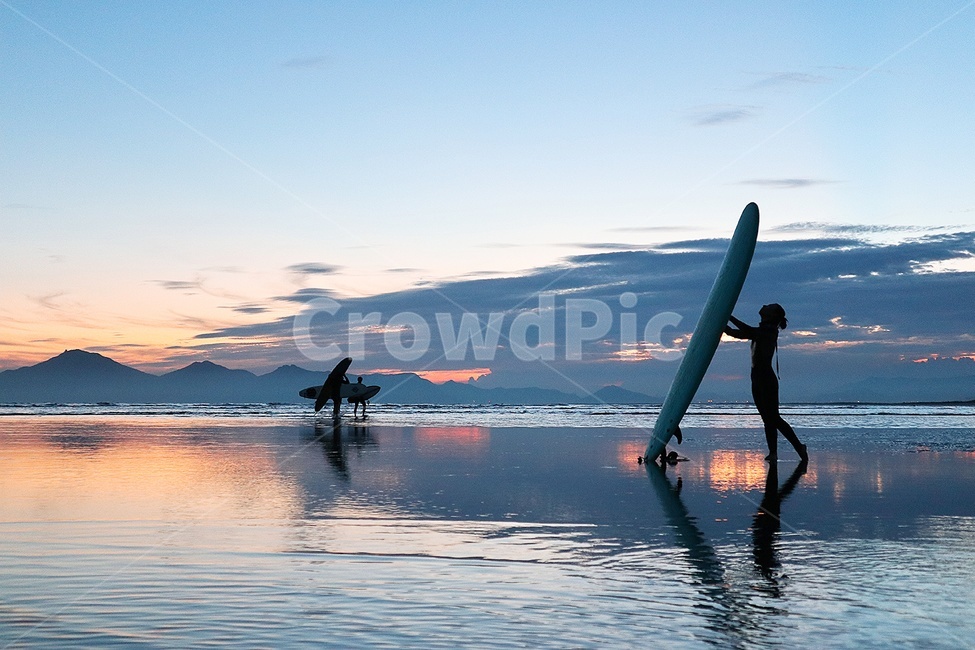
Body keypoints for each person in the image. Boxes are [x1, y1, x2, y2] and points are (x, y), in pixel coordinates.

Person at [724, 304, 807, 462]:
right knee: (767, 418)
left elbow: (747, 331)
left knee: (773, 418)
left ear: (772, 315)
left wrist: (728, 316)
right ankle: (774, 453)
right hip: (756, 377)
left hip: (766, 379)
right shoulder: (761, 331)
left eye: (769, 307)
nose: (764, 306)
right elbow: (737, 333)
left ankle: (798, 446)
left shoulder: (769, 331)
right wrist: (723, 326)